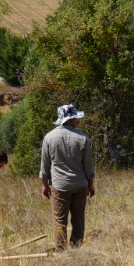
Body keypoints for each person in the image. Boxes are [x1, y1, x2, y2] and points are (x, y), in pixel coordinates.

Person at [40, 103, 96, 250]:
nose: (78, 121)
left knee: (60, 220)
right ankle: (76, 248)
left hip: (59, 186)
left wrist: (45, 185)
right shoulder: (82, 138)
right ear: (70, 120)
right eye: (76, 118)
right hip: (80, 185)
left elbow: (45, 165)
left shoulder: (49, 137)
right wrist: (91, 184)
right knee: (78, 219)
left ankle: (60, 250)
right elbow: (88, 166)